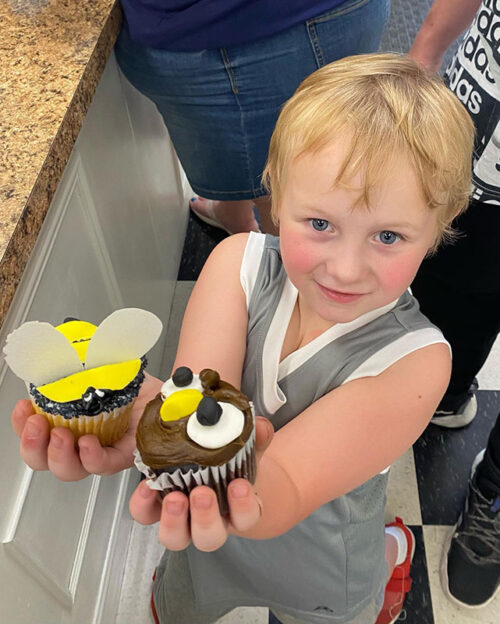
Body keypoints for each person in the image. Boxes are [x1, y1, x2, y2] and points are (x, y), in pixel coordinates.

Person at [11, 54, 474, 624]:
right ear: (277, 197)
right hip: (207, 541)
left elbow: (288, 482)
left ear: (437, 230)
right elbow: (195, 406)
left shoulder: (417, 363)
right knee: (179, 607)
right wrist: (146, 425)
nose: (347, 268)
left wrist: (234, 486)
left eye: (388, 235)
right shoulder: (239, 264)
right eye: (320, 224)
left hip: (322, 563)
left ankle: (388, 552)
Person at [114, 0, 391, 236]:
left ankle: (289, 292)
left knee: (288, 189)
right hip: (281, 22)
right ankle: (235, 216)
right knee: (280, 173)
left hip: (267, 27)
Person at [408, 0, 500, 609]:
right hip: (479, 140)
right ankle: (446, 387)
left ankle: (494, 489)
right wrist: (428, 48)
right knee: (450, 282)